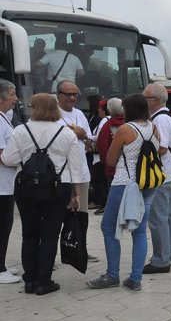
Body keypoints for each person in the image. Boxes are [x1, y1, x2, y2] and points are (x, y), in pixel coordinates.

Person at [0, 94, 83, 295]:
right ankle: (43, 280)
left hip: (26, 186)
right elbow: (75, 167)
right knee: (50, 233)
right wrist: (76, 194)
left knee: (29, 233)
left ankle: (30, 280)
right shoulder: (67, 133)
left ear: (34, 108)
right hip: (58, 186)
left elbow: (9, 159)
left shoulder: (21, 130)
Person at [85, 94, 160, 292]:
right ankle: (135, 278)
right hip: (147, 184)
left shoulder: (125, 129)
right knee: (140, 230)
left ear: (128, 110)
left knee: (108, 227)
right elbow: (161, 152)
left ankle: (112, 275)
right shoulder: (153, 128)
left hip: (124, 184)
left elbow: (110, 159)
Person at [56, 81, 97, 263]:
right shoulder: (53, 114)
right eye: (68, 94)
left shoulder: (80, 114)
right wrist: (76, 133)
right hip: (61, 174)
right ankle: (52, 254)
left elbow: (89, 142)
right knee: (56, 215)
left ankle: (80, 250)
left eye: (75, 94)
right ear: (58, 95)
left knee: (80, 217)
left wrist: (82, 135)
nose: (72, 98)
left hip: (81, 173)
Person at [143, 83, 171, 273]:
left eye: (146, 98)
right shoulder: (168, 117)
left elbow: (162, 147)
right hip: (169, 173)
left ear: (155, 100)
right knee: (168, 216)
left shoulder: (160, 120)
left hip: (160, 175)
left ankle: (161, 260)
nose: (143, 102)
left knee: (158, 219)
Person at [0, 81, 20, 284]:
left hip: (6, 183)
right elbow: (2, 155)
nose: (16, 99)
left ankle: (2, 264)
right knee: (3, 226)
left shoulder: (4, 118)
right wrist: (21, 160)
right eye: (12, 95)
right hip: (2, 185)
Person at [96, 98, 125, 193]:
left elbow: (102, 147)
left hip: (112, 170)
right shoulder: (129, 123)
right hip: (130, 169)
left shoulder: (107, 126)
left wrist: (107, 164)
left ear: (109, 110)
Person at [90, 100, 110, 213]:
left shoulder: (104, 121)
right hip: (106, 155)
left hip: (99, 156)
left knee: (98, 180)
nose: (98, 110)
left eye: (100, 108)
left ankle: (104, 204)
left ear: (103, 110)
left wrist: (86, 135)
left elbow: (98, 137)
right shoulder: (113, 120)